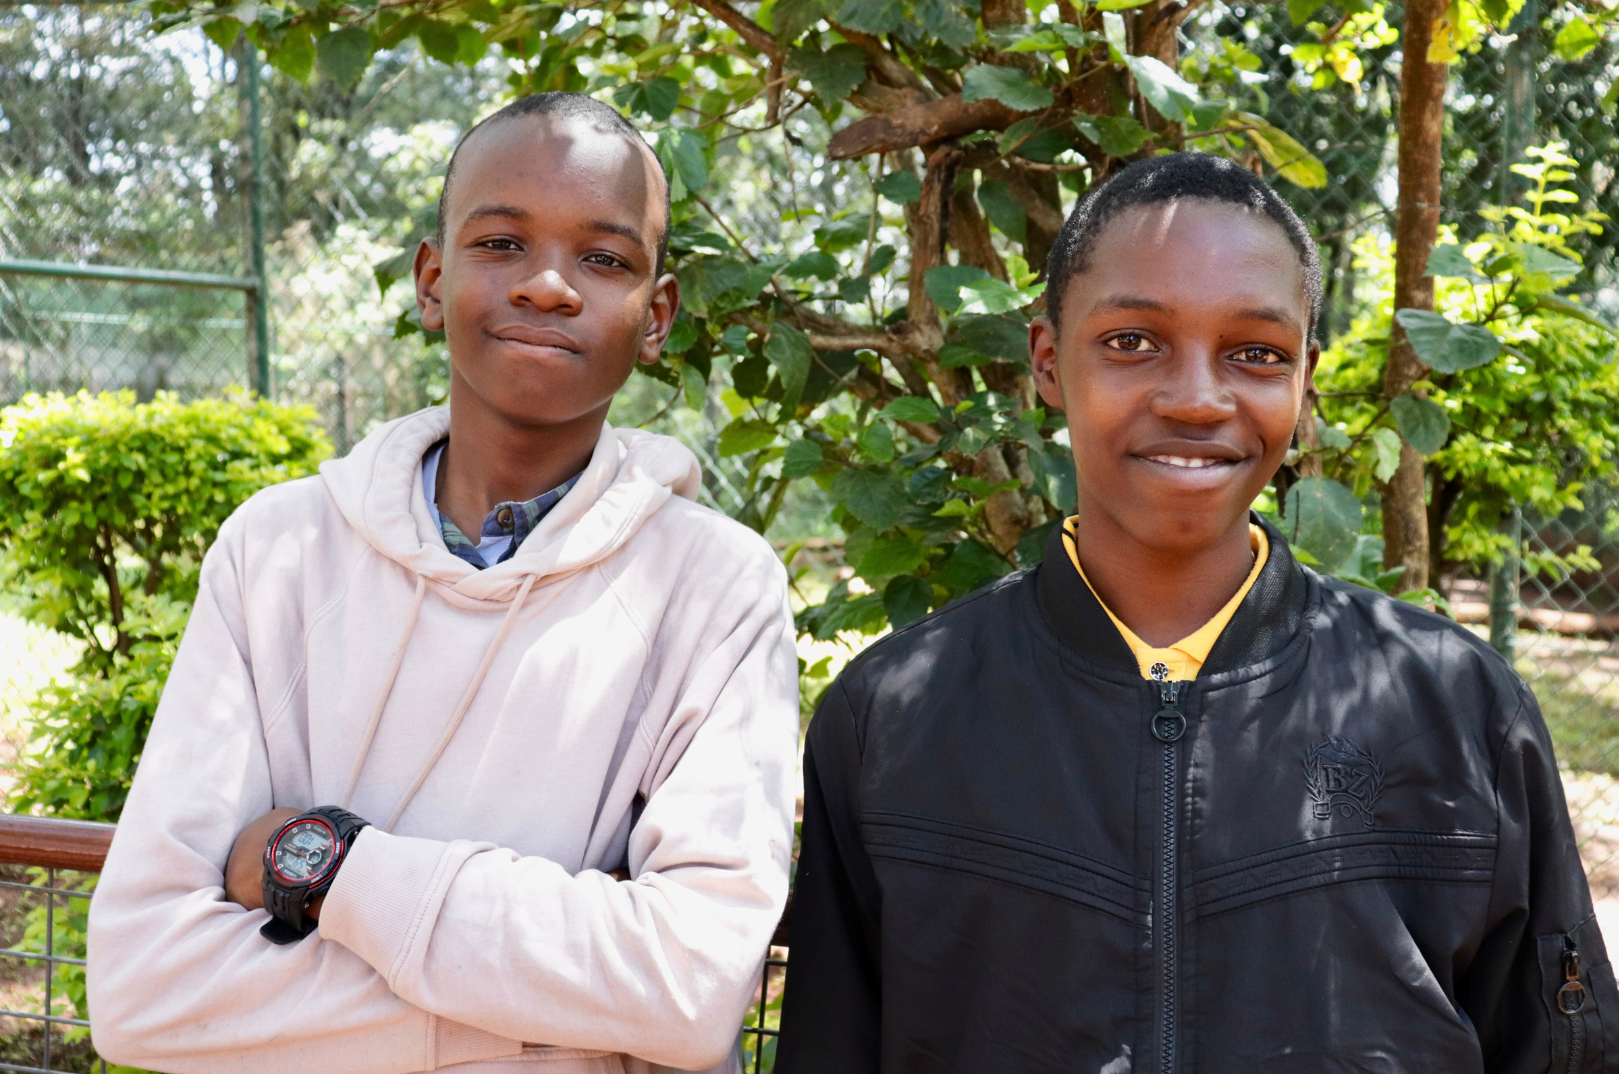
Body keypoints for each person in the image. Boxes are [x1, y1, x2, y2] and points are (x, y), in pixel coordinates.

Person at [775, 152, 1616, 1073]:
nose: (1195, 398)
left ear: (1303, 383)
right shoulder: (893, 717)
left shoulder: (1458, 708)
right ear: (1048, 362)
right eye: (1132, 342)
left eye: (1255, 354)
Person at [87, 92, 799, 1074]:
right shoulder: (277, 552)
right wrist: (564, 1023)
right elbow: (143, 991)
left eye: (604, 258)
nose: (548, 285)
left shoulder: (715, 589)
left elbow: (689, 989)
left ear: (656, 316)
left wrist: (331, 869)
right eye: (501, 243)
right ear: (431, 280)